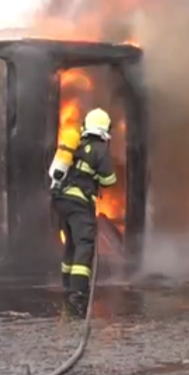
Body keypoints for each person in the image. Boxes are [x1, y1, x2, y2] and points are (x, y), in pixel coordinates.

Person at [50, 107, 118, 314]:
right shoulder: (100, 149)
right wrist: (96, 176)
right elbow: (109, 180)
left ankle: (67, 286)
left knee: (71, 243)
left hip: (61, 200)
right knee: (84, 244)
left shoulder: (76, 144)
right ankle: (78, 292)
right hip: (79, 203)